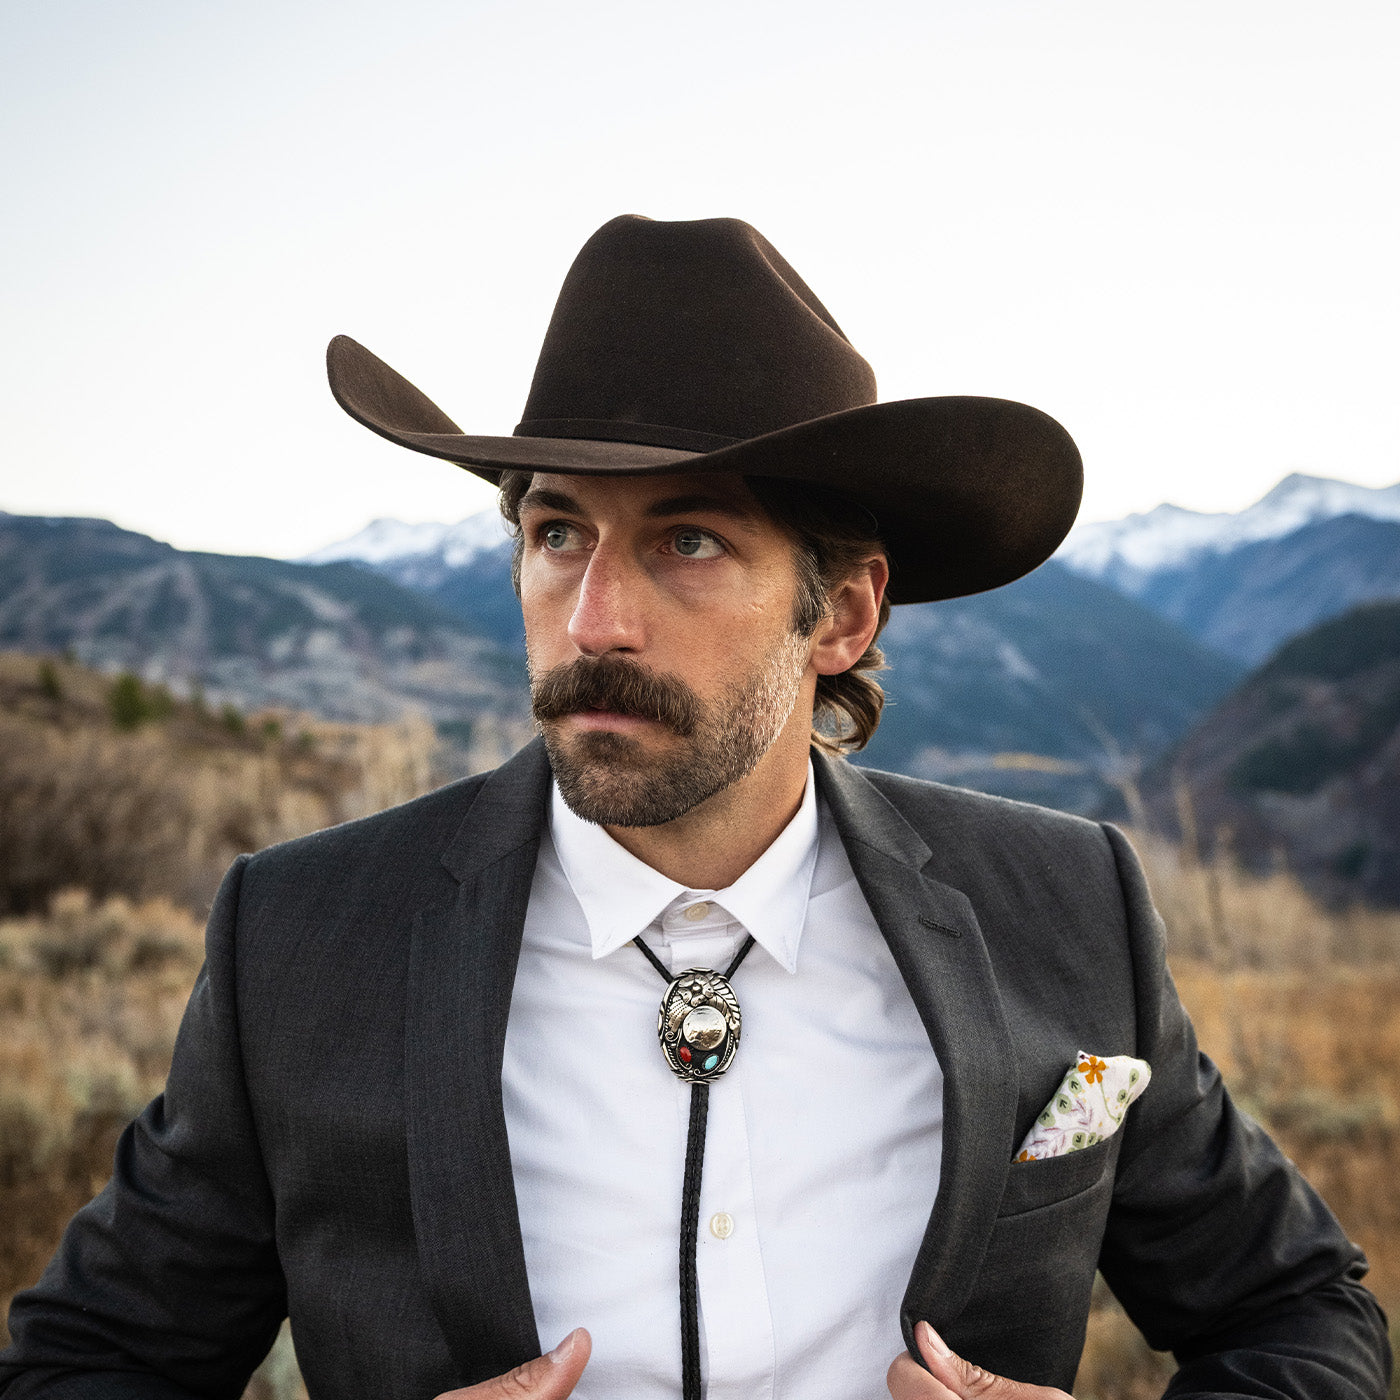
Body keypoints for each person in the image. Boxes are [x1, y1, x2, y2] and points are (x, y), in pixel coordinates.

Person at [1, 216, 1389, 1400]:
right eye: (556, 534)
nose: (595, 618)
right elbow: (85, 1360)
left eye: (689, 539)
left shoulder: (1063, 905)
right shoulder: (304, 940)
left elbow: (1306, 1318)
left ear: (840, 611)